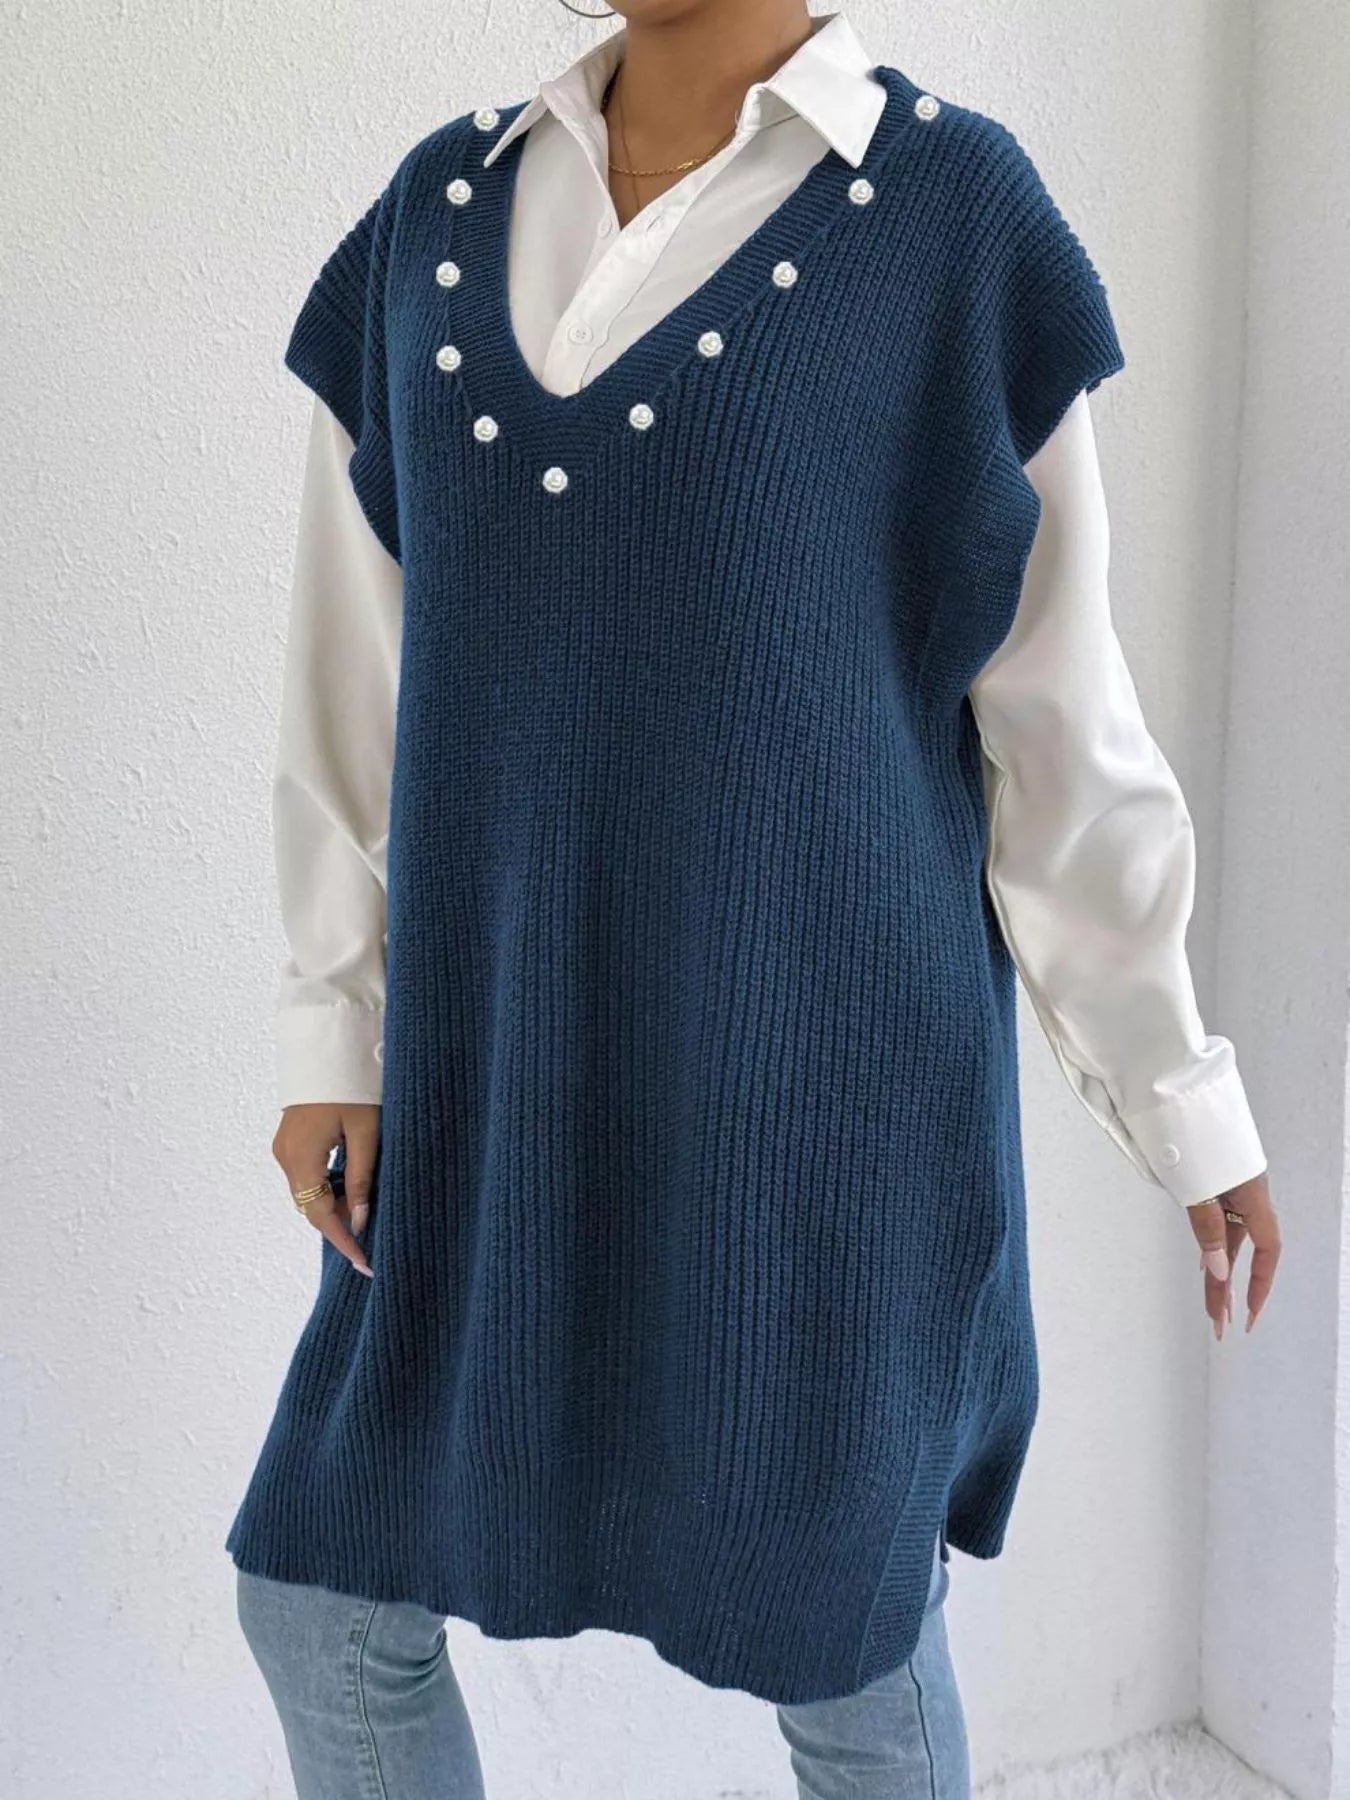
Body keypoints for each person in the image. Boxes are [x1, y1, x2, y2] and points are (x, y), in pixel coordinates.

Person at [227, 4, 1283, 1794]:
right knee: (321, 1600)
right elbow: (350, 673)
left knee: (844, 1658)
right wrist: (334, 1028)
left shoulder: (949, 213)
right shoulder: (439, 213)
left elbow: (1057, 727)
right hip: (505, 1081)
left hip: (827, 1112)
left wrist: (1181, 1096)